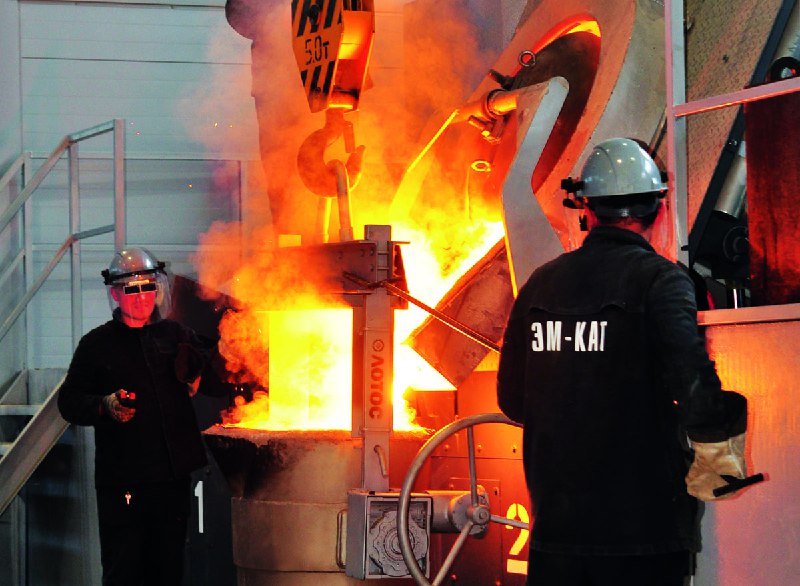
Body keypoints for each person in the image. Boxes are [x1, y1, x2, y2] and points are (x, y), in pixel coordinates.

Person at [497, 138, 751, 586]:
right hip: (642, 537)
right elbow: (697, 397)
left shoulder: (539, 284)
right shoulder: (662, 281)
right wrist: (721, 440)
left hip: (556, 533)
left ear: (586, 210)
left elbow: (513, 402)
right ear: (657, 209)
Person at [57, 247, 229, 586]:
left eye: (148, 287)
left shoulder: (176, 335)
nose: (141, 297)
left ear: (158, 289)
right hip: (125, 481)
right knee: (126, 570)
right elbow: (69, 402)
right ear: (115, 293)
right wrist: (104, 405)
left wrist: (200, 368)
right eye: (131, 289)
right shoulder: (97, 345)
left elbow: (216, 383)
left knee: (167, 568)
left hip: (172, 479)